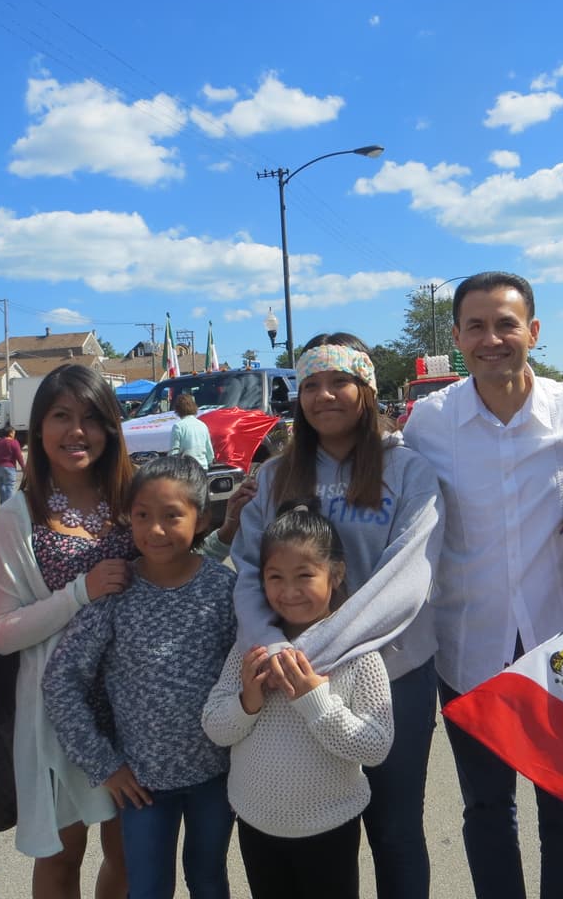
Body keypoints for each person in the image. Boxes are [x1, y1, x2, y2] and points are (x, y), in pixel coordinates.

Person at [403, 271, 563, 899]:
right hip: (469, 648)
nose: (492, 338)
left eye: (506, 324)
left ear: (534, 332)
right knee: (488, 811)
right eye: (476, 326)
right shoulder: (429, 423)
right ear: (459, 337)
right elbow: (382, 494)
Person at [230, 331, 442, 899]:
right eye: (311, 385)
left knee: (396, 835)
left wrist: (308, 653)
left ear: (367, 389)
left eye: (340, 381)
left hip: (390, 676)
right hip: (288, 680)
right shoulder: (276, 477)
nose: (325, 395)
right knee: (315, 836)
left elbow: (408, 579)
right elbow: (249, 572)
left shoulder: (409, 471)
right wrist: (272, 647)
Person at [43, 456, 237, 899]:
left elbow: (244, 676)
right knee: (148, 888)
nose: (156, 530)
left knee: (209, 881)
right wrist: (104, 764)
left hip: (216, 778)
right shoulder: (116, 592)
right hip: (142, 786)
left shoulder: (222, 590)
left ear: (202, 518)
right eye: (142, 516)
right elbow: (61, 682)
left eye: (172, 516)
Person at [0, 363, 133, 898]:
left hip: (133, 709)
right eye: (61, 417)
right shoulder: (17, 516)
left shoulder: (134, 499)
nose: (77, 431)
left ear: (111, 427)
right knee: (64, 853)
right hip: (59, 713)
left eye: (91, 418)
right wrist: (78, 592)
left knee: (129, 853)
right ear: (37, 429)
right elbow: (0, 633)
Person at [204, 501, 394, 899]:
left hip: (330, 828)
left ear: (336, 573)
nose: (289, 592)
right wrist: (247, 701)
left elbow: (376, 746)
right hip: (256, 825)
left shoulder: (358, 654)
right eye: (275, 577)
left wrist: (316, 701)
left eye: (304, 575)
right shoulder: (252, 648)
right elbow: (215, 727)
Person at [169, 393, 215, 469]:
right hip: (202, 468)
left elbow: (174, 451)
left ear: (177, 409)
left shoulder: (178, 426)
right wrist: (209, 462)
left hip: (186, 469)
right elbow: (209, 450)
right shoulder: (202, 425)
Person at [0, 425, 26, 506]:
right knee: (9, 488)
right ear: (10, 433)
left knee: (2, 487)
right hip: (8, 468)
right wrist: (24, 468)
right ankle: (9, 507)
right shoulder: (14, 442)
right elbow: (19, 456)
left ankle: (3, 505)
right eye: (13, 432)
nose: (14, 434)